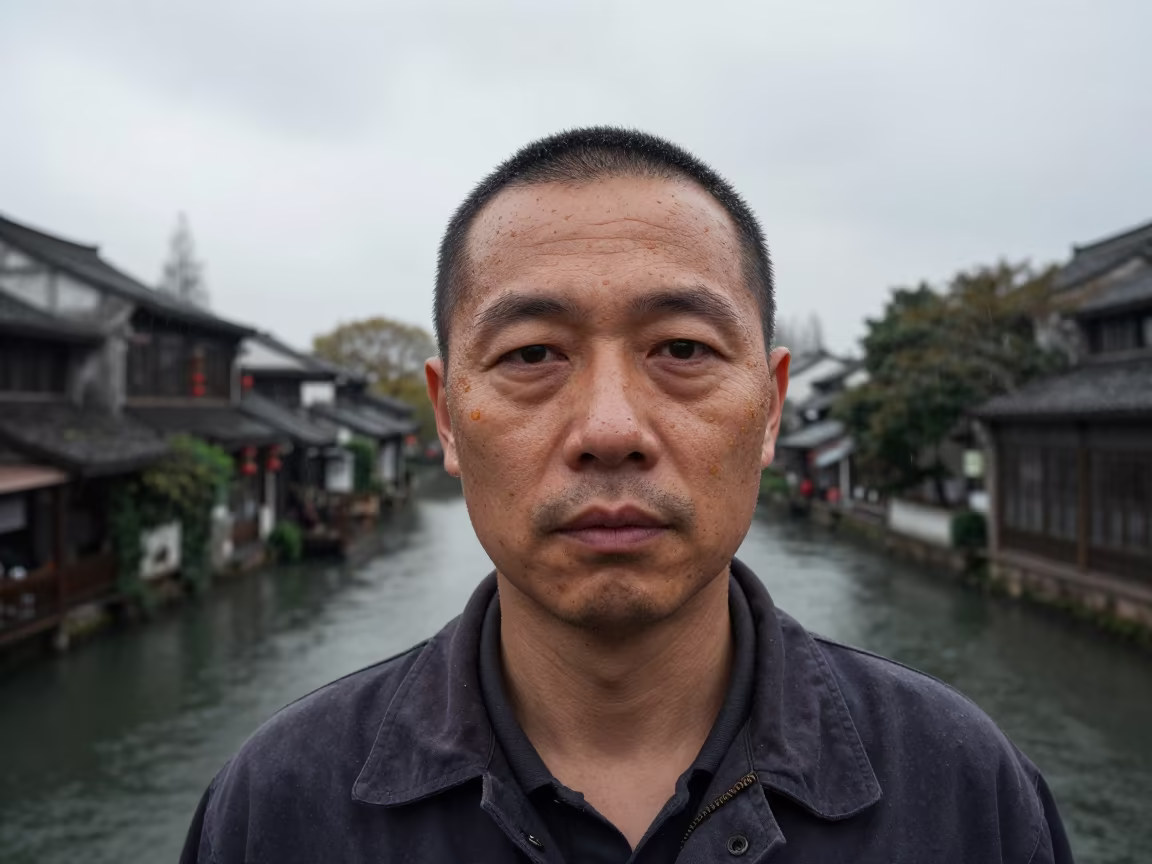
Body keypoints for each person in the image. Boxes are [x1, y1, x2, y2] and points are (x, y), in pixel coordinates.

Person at [180, 128, 1073, 863]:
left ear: (772, 407)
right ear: (447, 418)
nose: (610, 430)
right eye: (532, 354)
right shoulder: (278, 810)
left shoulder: (964, 794)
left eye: (682, 349)